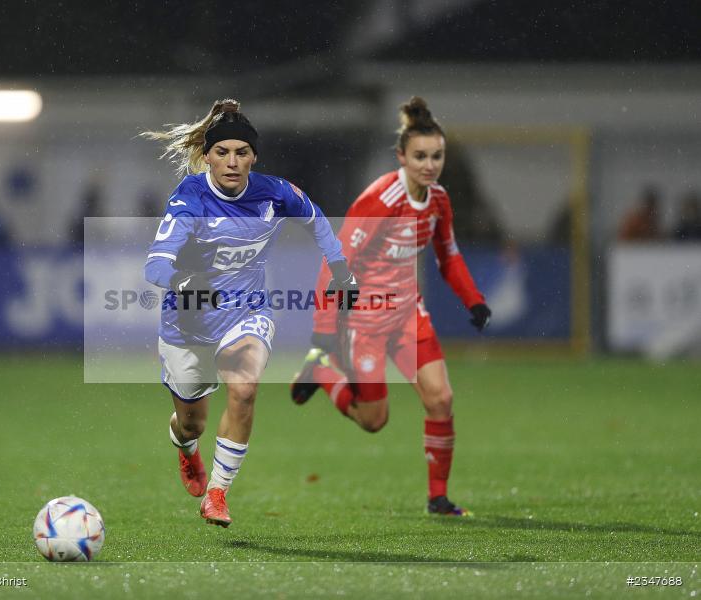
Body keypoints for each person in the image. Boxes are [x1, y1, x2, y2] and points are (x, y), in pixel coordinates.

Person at [142, 99, 358, 528]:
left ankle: (218, 493)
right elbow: (155, 264)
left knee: (244, 388)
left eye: (242, 152)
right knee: (192, 423)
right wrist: (182, 281)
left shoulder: (274, 191)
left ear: (254, 157)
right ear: (207, 156)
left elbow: (315, 218)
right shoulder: (190, 198)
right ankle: (187, 452)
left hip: (247, 310)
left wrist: (340, 270)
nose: (232, 162)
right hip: (187, 320)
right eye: (222, 152)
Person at [290, 97, 491, 517]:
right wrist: (325, 331)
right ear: (401, 156)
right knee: (373, 420)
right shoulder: (380, 200)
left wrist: (472, 300)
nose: (429, 164)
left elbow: (448, 255)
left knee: (441, 399)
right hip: (363, 321)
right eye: (420, 156)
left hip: (406, 316)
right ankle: (322, 371)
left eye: (437, 156)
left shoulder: (438, 201)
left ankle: (438, 498)